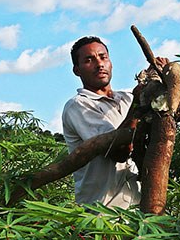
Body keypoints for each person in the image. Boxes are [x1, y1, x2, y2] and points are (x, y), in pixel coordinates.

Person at [62, 36, 166, 208]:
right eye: (89, 60)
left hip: (138, 207)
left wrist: (158, 77)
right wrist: (138, 104)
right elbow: (118, 152)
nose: (99, 64)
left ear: (110, 62)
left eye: (103, 57)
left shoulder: (126, 98)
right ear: (76, 70)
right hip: (103, 215)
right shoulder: (78, 106)